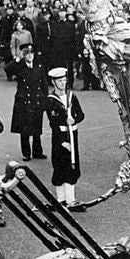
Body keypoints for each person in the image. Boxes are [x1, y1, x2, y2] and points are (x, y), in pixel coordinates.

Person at [45, 67, 85, 207]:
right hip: (59, 137)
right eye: (59, 81)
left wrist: (74, 119)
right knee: (59, 165)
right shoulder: (50, 101)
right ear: (54, 83)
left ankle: (71, 199)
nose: (62, 83)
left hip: (73, 135)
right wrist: (62, 142)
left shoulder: (71, 97)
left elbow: (81, 115)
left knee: (72, 165)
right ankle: (61, 199)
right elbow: (53, 123)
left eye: (64, 80)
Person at [7, 43, 47, 161]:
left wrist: (45, 99)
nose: (30, 56)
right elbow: (8, 70)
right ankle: (26, 153)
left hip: (36, 99)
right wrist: (17, 59)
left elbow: (44, 84)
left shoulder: (39, 67)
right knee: (24, 129)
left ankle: (37, 151)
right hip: (23, 100)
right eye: (27, 54)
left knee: (36, 127)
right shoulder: (20, 66)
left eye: (32, 53)